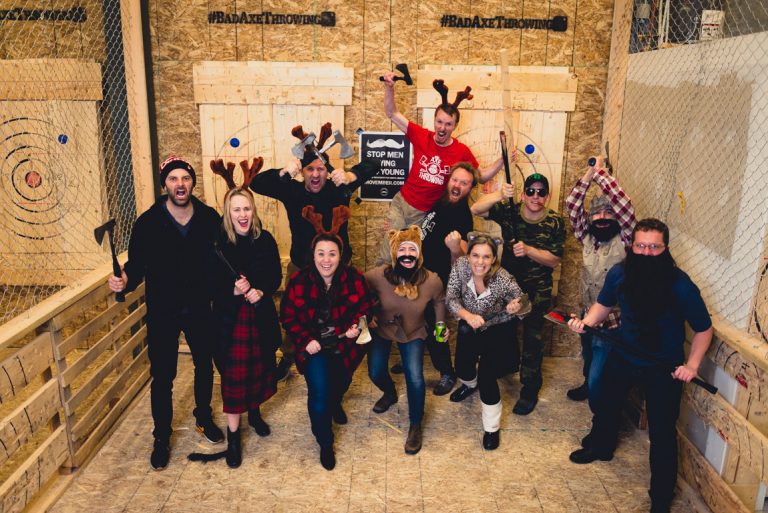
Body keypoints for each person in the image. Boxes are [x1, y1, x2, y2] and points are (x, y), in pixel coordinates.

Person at [567, 218, 713, 513]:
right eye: (641, 245)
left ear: (665, 248)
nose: (646, 252)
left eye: (654, 247)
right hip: (625, 351)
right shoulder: (620, 273)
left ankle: (660, 497)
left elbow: (704, 328)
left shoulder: (680, 285)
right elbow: (603, 305)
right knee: (605, 403)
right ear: (631, 245)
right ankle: (602, 446)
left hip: (664, 365)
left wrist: (692, 365)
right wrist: (586, 322)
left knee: (661, 432)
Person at [107, 155, 223, 471]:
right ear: (165, 185)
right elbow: (136, 266)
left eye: (185, 178)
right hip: (163, 310)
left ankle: (203, 417)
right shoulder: (147, 223)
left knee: (204, 364)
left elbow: (222, 259)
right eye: (173, 179)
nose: (180, 184)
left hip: (200, 307)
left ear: (192, 182)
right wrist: (124, 280)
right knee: (163, 376)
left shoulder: (209, 218)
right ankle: (161, 436)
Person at [249, 123, 377, 379]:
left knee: (342, 314)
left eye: (320, 169)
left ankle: (341, 357)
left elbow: (373, 164)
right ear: (303, 172)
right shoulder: (291, 189)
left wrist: (351, 176)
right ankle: (288, 357)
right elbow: (257, 184)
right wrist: (285, 171)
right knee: (294, 313)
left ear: (327, 172)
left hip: (339, 267)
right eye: (310, 169)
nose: (315, 174)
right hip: (302, 266)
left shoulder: (340, 188)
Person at [280, 205, 372, 470]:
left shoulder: (354, 278)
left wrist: (357, 325)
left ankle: (335, 403)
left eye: (332, 253)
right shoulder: (299, 281)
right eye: (321, 253)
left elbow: (366, 308)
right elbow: (288, 315)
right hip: (315, 347)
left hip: (345, 344)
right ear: (314, 255)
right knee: (319, 392)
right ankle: (325, 441)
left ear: (340, 255)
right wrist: (305, 339)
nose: (326, 259)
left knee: (340, 384)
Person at [376, 74, 502, 265]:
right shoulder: (421, 136)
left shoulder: (461, 151)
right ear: (434, 120)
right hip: (401, 204)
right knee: (389, 252)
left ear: (455, 126)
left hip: (423, 214)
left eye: (448, 124)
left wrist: (503, 159)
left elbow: (482, 176)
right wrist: (389, 87)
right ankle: (380, 292)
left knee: (411, 258)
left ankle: (406, 292)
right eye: (439, 122)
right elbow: (392, 113)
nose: (442, 128)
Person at [471, 173, 565, 415]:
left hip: (537, 292)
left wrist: (530, 250)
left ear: (548, 196)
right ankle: (506, 367)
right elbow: (477, 208)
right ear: (523, 194)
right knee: (504, 333)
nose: (535, 196)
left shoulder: (555, 221)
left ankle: (530, 388)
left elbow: (554, 259)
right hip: (507, 288)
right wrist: (500, 194)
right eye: (530, 191)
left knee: (533, 340)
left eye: (541, 192)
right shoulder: (509, 211)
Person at [211, 188, 281, 468]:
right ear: (229, 213)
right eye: (237, 210)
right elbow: (210, 284)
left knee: (259, 366)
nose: (243, 215)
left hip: (258, 317)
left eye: (247, 209)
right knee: (233, 376)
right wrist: (233, 291)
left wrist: (261, 291)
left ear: (254, 210)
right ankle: (233, 437)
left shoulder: (265, 240)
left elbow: (275, 275)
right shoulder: (218, 244)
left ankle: (254, 413)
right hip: (230, 321)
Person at [445, 233, 531, 450]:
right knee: (463, 368)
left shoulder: (503, 278)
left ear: (493, 259)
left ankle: (491, 429)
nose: (480, 262)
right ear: (468, 254)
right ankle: (469, 384)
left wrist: (517, 305)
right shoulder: (461, 267)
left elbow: (525, 301)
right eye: (475, 255)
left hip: (498, 329)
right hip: (470, 325)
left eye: (486, 257)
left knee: (486, 376)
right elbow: (451, 299)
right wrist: (467, 316)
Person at [365, 226, 446, 455]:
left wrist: (440, 326)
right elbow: (356, 287)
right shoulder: (377, 276)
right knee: (375, 372)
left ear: (419, 254)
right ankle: (389, 393)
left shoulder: (431, 280)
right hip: (382, 329)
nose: (407, 254)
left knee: (415, 378)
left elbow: (440, 300)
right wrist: (366, 315)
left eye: (413, 249)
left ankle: (415, 424)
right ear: (394, 254)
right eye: (402, 249)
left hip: (414, 332)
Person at [564, 156, 636, 402]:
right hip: (587, 313)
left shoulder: (627, 239)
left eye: (608, 213)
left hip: (613, 321)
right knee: (589, 356)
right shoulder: (586, 236)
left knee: (601, 372)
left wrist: (601, 175)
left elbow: (624, 206)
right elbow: (573, 205)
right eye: (597, 214)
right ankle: (588, 386)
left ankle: (599, 403)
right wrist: (589, 173)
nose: (602, 217)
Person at [418, 162, 477, 395]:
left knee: (437, 328)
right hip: (421, 276)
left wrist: (455, 248)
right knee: (418, 321)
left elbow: (462, 256)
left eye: (464, 183)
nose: (458, 185)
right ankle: (413, 357)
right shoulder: (441, 201)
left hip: (439, 282)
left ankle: (446, 372)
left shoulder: (462, 214)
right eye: (455, 180)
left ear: (470, 189)